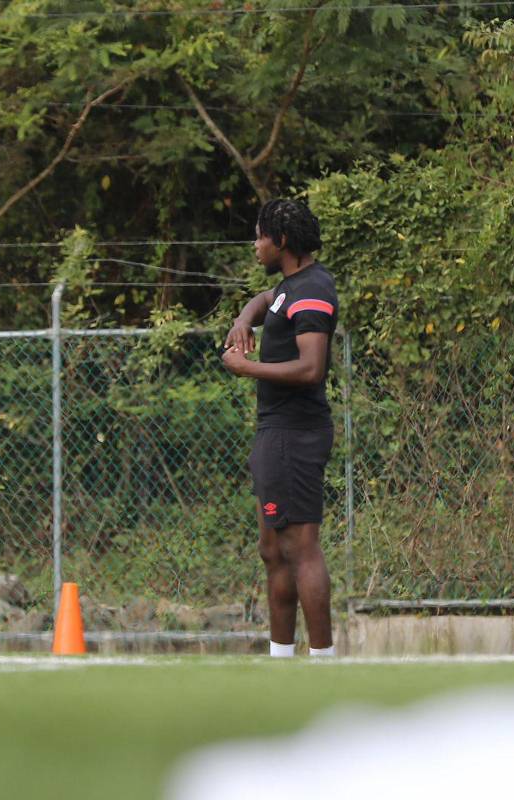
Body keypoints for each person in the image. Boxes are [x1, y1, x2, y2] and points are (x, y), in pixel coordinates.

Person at [222, 197, 339, 658]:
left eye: (260, 237)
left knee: (301, 548)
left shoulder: (313, 289)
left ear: (282, 240)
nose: (255, 246)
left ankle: (325, 663)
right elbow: (266, 299)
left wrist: (245, 368)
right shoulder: (291, 286)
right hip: (276, 433)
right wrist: (243, 320)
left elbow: (311, 368)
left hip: (295, 434)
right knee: (272, 549)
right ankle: (281, 662)